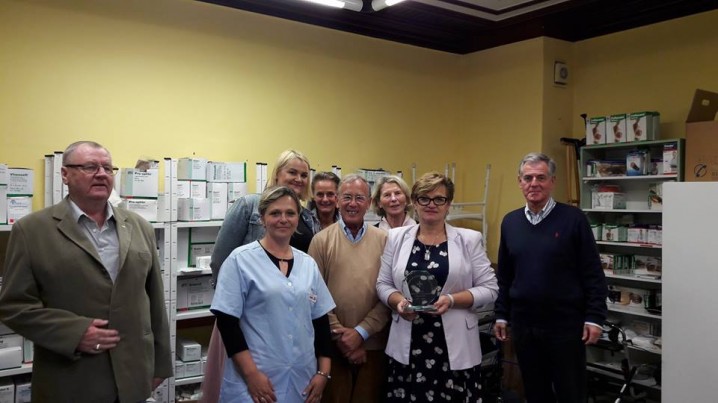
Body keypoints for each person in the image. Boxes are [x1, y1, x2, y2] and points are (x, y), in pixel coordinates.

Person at [0, 141, 172, 402]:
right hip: (71, 379)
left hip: (134, 375)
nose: (102, 174)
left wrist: (160, 364)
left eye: (107, 168)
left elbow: (155, 301)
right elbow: (14, 306)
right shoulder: (31, 230)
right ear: (65, 174)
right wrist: (74, 333)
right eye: (90, 167)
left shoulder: (140, 227)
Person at [201, 149, 318, 403]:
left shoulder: (308, 217)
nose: (299, 179)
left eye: (304, 175)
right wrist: (233, 304)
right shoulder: (248, 205)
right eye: (292, 172)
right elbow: (220, 259)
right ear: (277, 174)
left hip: (288, 320)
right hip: (247, 315)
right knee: (247, 386)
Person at [493, 152, 608, 403]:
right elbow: (505, 275)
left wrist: (595, 317)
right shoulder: (510, 222)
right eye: (528, 178)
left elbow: (592, 273)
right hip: (524, 325)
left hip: (565, 325)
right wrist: (501, 314)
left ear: (552, 181)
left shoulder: (574, 219)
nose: (534, 183)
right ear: (520, 182)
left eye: (541, 177)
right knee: (535, 392)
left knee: (570, 392)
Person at [376, 171, 498, 402]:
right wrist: (398, 303)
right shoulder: (395, 237)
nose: (431, 204)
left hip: (455, 347)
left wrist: (452, 300)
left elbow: (490, 288)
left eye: (439, 199)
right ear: (414, 202)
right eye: (424, 198)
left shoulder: (469, 239)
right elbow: (383, 284)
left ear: (448, 204)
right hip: (409, 343)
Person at [210, 186, 335, 402]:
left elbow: (321, 321)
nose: (283, 219)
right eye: (275, 213)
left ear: (298, 218)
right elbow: (227, 323)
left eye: (290, 213)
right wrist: (251, 375)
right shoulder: (240, 260)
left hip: (302, 378)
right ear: (262, 219)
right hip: (255, 379)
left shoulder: (308, 264)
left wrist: (323, 372)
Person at [307, 174, 390, 403]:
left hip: (373, 346)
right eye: (347, 197)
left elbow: (390, 293)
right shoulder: (321, 241)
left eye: (359, 198)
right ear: (337, 201)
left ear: (369, 203)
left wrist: (361, 333)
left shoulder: (385, 240)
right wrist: (343, 338)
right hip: (332, 348)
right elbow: (313, 296)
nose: (353, 204)